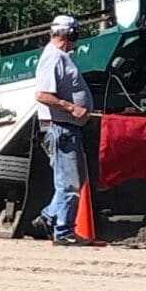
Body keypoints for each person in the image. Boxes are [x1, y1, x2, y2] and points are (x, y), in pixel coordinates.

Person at [32, 15, 95, 245]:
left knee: (74, 181)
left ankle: (50, 217)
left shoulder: (60, 57)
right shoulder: (53, 58)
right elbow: (42, 94)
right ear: (68, 35)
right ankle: (63, 231)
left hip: (67, 128)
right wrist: (72, 108)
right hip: (61, 129)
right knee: (68, 184)